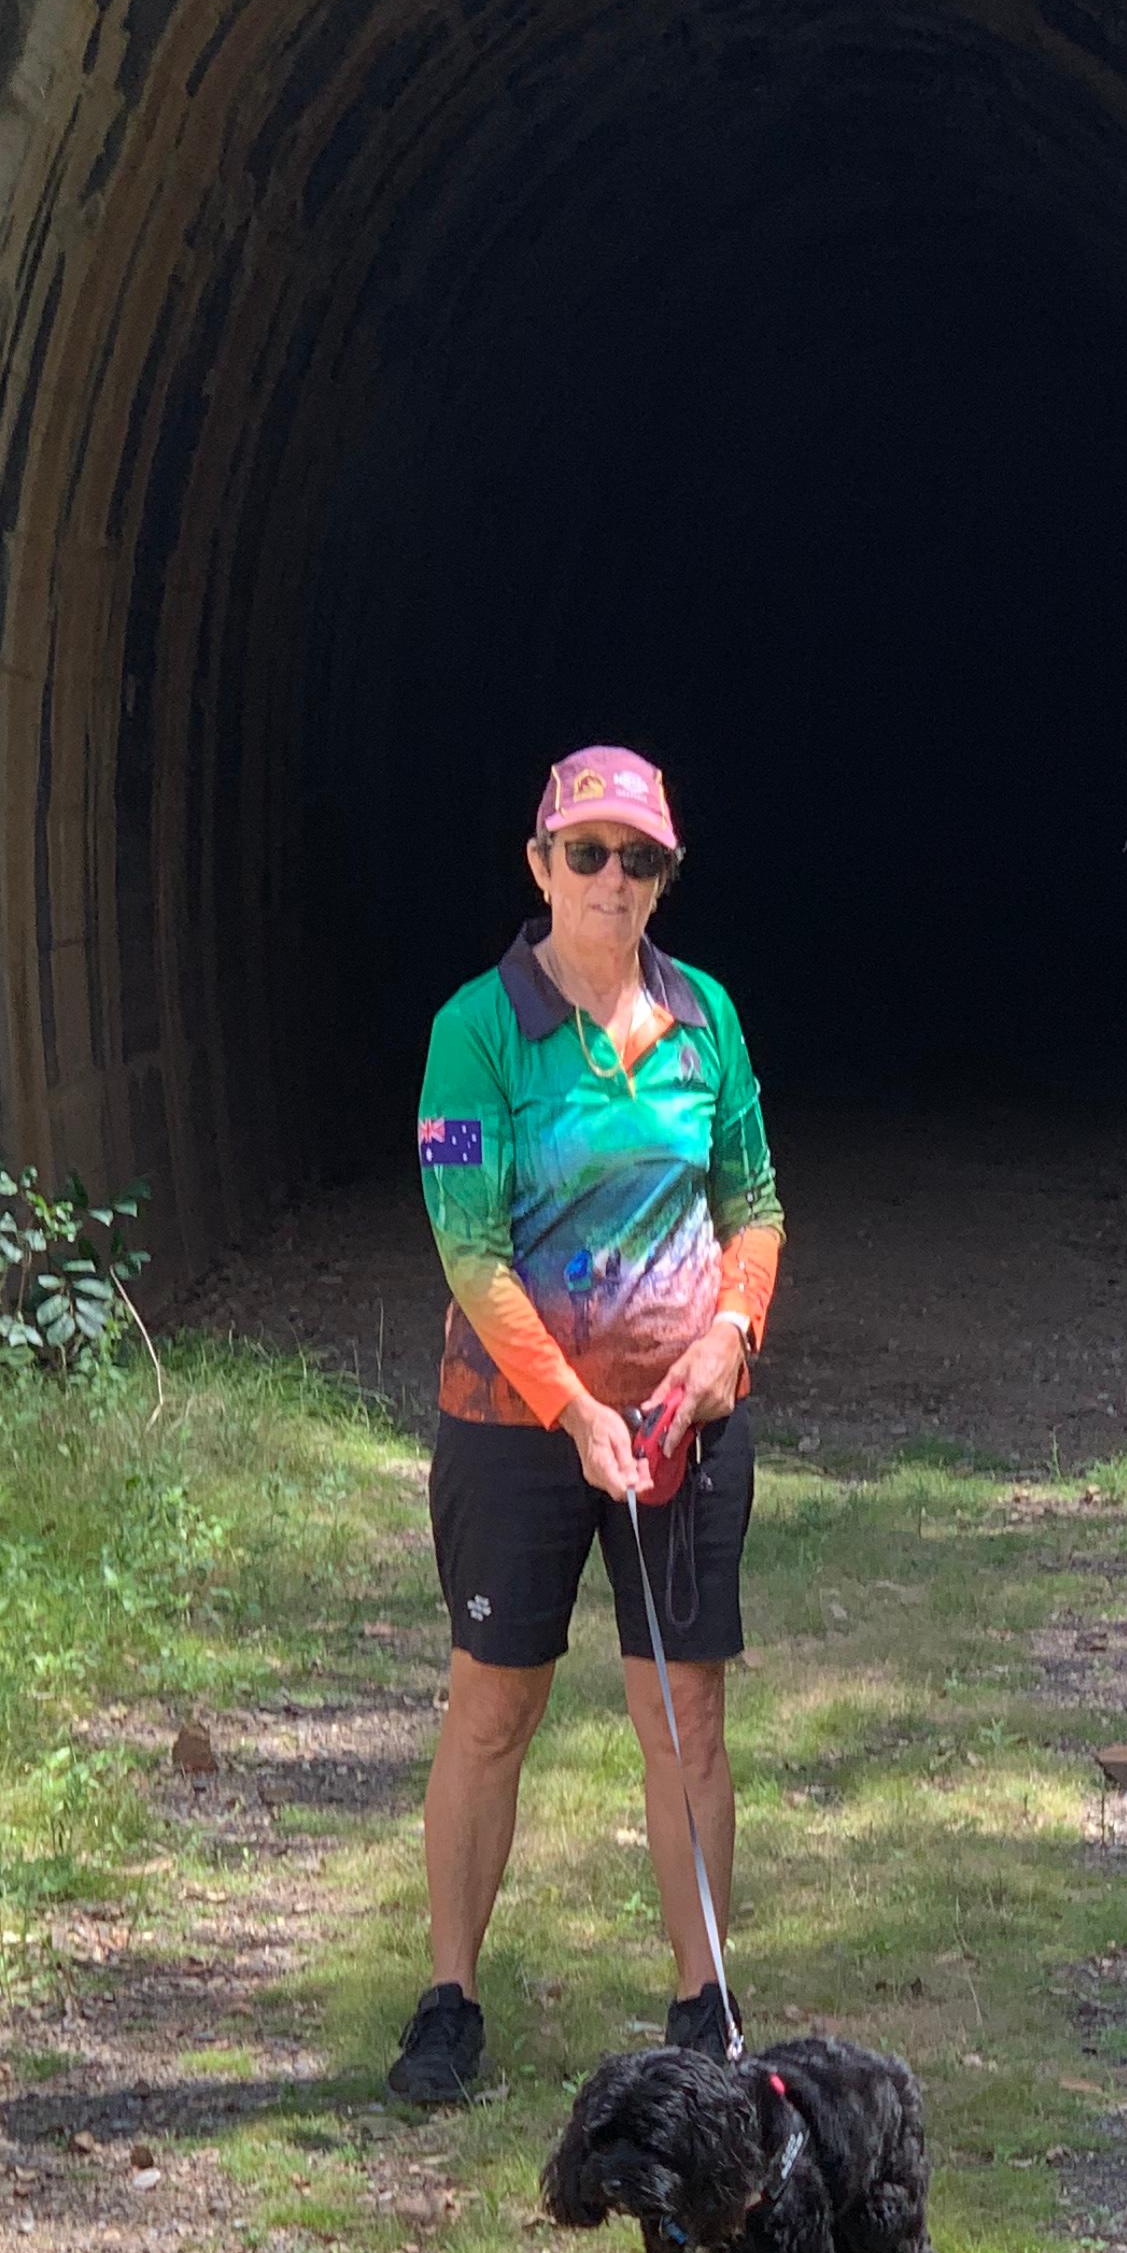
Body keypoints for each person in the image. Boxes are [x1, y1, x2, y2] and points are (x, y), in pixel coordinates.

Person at [388, 747, 784, 2107]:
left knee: (687, 1716)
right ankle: (449, 2001)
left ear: (667, 877)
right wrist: (568, 1411)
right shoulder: (474, 1031)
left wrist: (731, 1340)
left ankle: (705, 2007)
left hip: (682, 1426)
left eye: (644, 859)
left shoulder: (707, 1019)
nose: (616, 881)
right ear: (541, 865)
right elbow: (469, 1247)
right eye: (591, 854)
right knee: (494, 1706)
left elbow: (757, 1205)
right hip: (512, 1425)